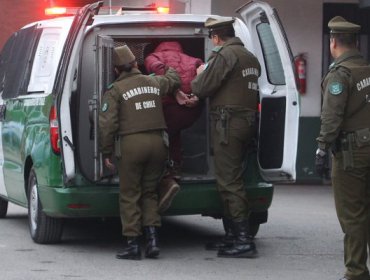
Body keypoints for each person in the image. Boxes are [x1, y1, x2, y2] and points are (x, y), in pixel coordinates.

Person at [99, 45, 180, 260]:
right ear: (136, 64)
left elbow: (108, 124)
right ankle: (152, 241)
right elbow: (173, 79)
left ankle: (133, 244)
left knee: (130, 194)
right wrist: (169, 63)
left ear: (117, 70)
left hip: (132, 146)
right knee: (150, 192)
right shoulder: (153, 81)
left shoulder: (115, 90)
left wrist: (106, 152)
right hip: (159, 145)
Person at [190, 17, 261, 258]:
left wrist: (201, 72)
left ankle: (243, 240)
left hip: (228, 125)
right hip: (246, 124)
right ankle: (233, 236)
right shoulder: (249, 57)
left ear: (216, 37)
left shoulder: (224, 56)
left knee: (229, 181)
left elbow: (200, 88)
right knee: (232, 178)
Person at [315, 16, 370, 280]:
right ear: (356, 42)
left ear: (333, 42)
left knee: (353, 215)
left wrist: (322, 147)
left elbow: (332, 116)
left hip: (352, 153)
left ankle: (356, 272)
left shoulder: (340, 74)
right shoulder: (367, 70)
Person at [144, 41, 204, 213]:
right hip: (190, 111)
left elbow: (158, 68)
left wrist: (175, 92)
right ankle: (176, 167)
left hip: (166, 109)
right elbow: (204, 76)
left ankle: (166, 177)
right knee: (174, 134)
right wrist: (197, 98)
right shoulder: (195, 60)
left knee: (160, 138)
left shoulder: (152, 57)